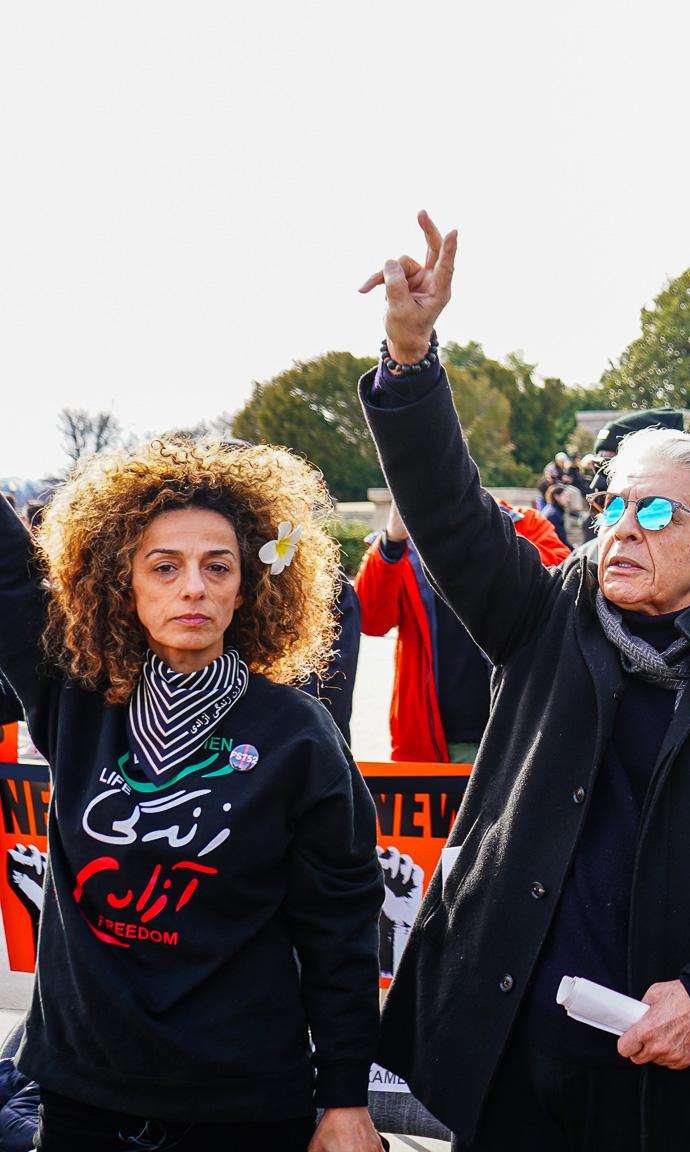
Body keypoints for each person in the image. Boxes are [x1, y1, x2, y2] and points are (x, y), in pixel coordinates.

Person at [357, 214, 690, 1149]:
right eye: (615, 505)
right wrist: (410, 351)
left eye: (656, 510)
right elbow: (449, 510)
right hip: (510, 1062)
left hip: (667, 1080)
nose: (622, 527)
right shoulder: (542, 617)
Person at [0, 438, 384, 1152]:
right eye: (164, 567)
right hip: (82, 1092)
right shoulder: (74, 698)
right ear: (124, 583)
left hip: (245, 1103)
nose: (193, 588)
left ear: (248, 587)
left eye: (218, 566)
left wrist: (344, 1096)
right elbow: (7, 572)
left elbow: (341, 928)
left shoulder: (299, 734)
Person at [357, 498, 570, 763]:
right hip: (437, 742)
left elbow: (561, 592)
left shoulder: (524, 524)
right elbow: (370, 620)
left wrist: (492, 538)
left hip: (520, 735)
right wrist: (391, 542)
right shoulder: (404, 543)